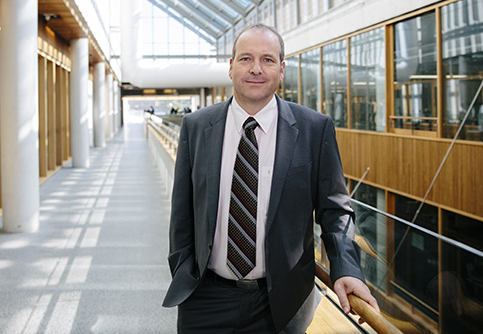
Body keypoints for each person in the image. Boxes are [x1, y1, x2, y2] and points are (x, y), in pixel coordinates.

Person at [162, 24, 379, 333]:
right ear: (231, 67)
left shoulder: (314, 129)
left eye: (267, 60)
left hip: (282, 304)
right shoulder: (197, 126)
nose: (256, 69)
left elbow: (335, 210)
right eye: (246, 58)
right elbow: (182, 210)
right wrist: (183, 268)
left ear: (281, 68)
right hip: (205, 299)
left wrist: (347, 268)